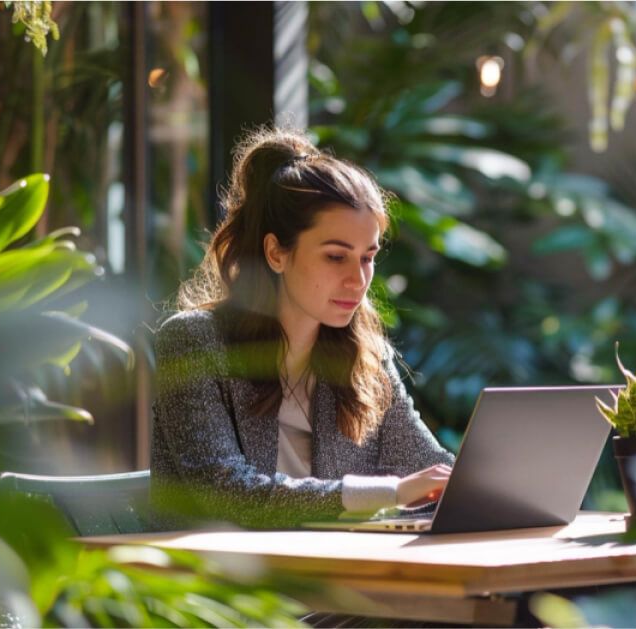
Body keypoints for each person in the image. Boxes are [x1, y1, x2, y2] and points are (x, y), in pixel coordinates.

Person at [151, 127, 453, 529]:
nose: (358, 280)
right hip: (219, 584)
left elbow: (433, 473)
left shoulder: (365, 358)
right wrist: (392, 493)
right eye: (335, 257)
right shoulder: (194, 342)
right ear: (276, 253)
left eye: (367, 257)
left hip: (335, 578)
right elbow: (225, 494)